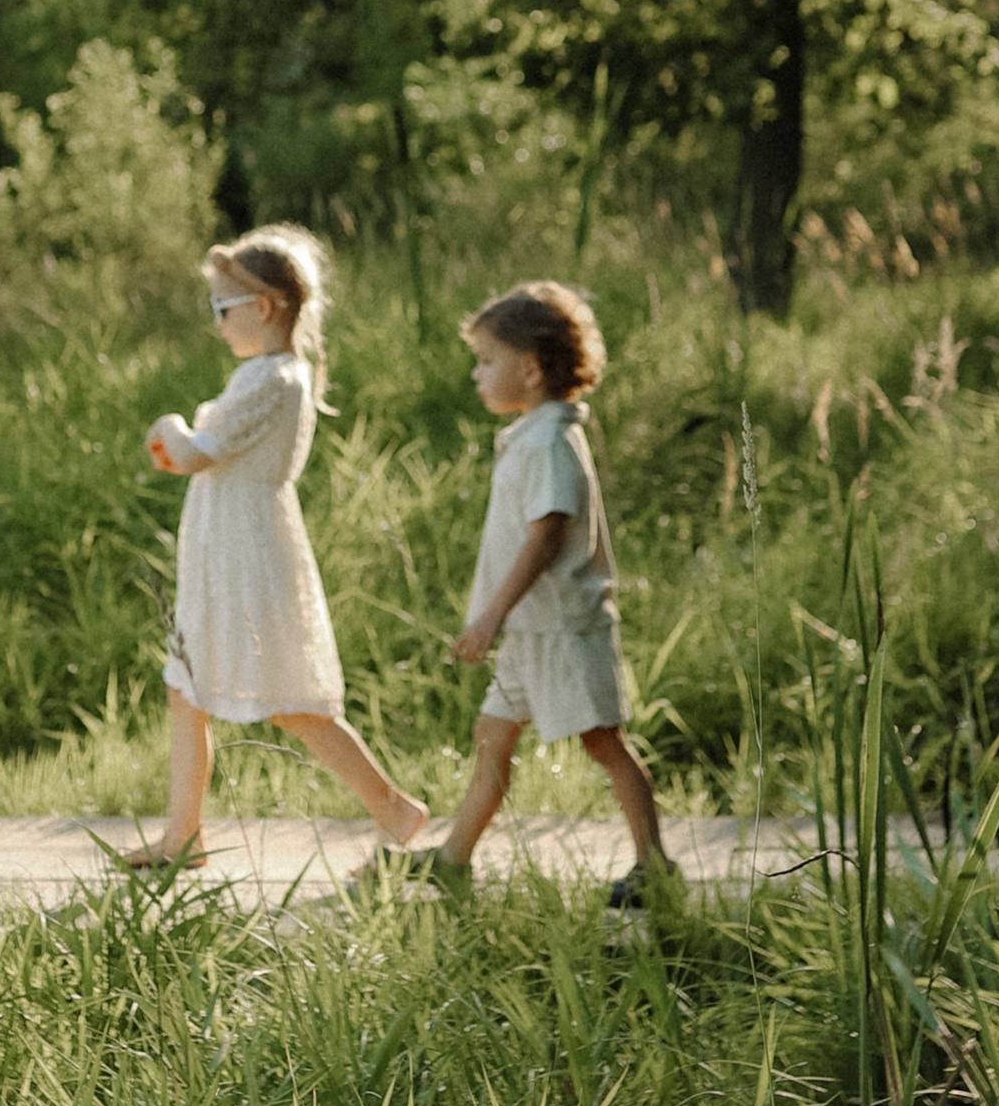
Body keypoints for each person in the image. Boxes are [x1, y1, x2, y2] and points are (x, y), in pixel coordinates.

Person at [123, 228, 430, 869]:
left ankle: (395, 809)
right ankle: (184, 833)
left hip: (248, 554)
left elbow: (191, 453)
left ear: (262, 308)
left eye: (221, 309)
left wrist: (168, 428)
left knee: (292, 702)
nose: (216, 324)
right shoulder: (265, 375)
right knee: (188, 687)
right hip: (223, 547)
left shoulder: (272, 380)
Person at [428, 278, 667, 901]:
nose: (477, 375)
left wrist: (490, 618)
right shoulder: (532, 436)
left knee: (602, 742)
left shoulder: (553, 443)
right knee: (491, 738)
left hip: (562, 626)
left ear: (531, 369)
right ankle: (451, 863)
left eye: (487, 361)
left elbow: (546, 536)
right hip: (530, 633)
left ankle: (655, 865)